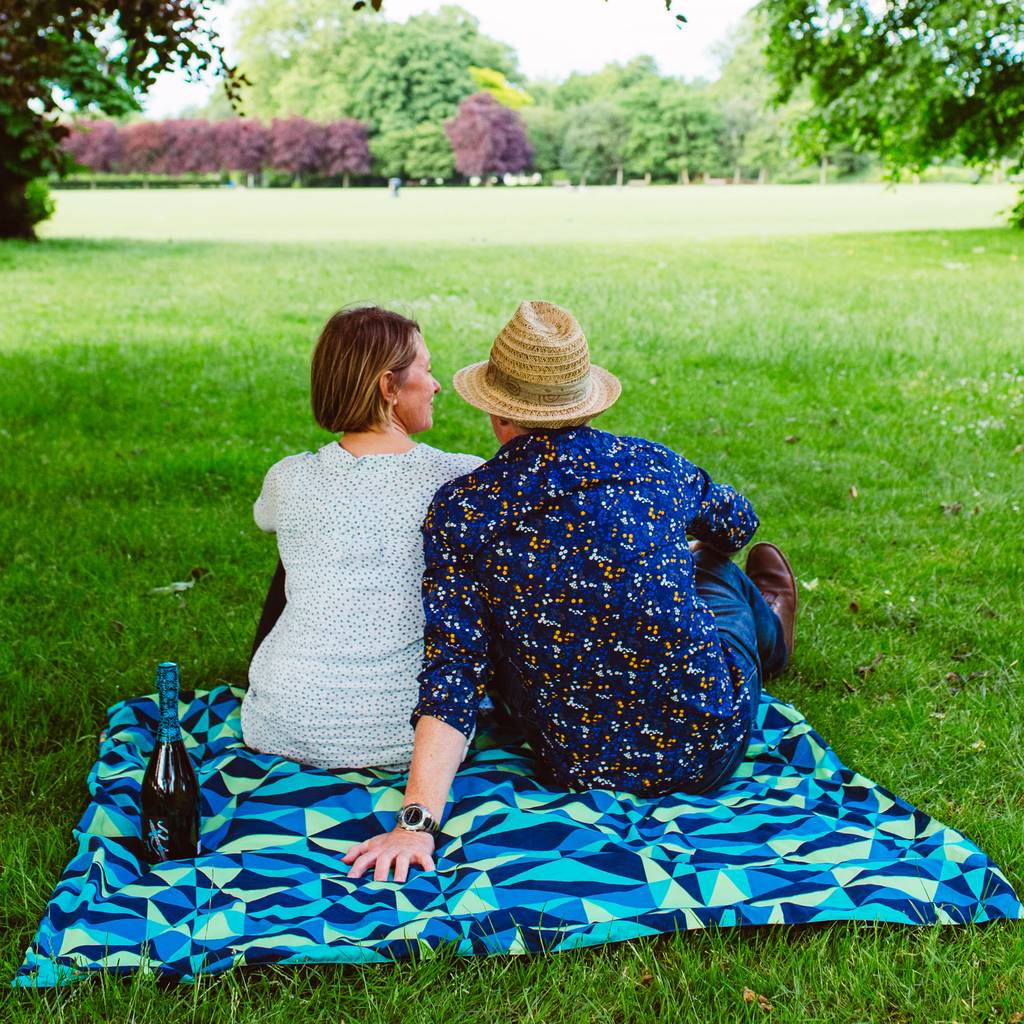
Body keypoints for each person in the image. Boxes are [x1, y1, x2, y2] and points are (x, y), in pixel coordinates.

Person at [343, 300, 798, 883]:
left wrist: (415, 823)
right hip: (706, 743)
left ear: (496, 410)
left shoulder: (463, 510)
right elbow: (738, 524)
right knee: (712, 566)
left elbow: (453, 670)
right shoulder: (651, 466)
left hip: (578, 759)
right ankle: (773, 632)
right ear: (586, 400)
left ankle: (760, 620)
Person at [242, 306, 483, 770]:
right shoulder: (459, 479)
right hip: (410, 734)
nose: (435, 386)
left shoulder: (287, 478)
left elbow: (264, 520)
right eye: (427, 371)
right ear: (388, 388)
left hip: (282, 723)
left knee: (303, 551)